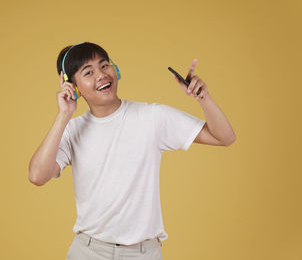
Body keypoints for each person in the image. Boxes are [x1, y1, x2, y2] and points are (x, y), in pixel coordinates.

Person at [28, 42, 236, 260]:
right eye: (88, 72)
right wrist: (63, 115)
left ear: (115, 70)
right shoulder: (72, 130)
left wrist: (203, 97)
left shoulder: (152, 117)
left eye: (104, 65)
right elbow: (37, 176)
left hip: (142, 253)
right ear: (74, 87)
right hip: (88, 252)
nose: (101, 75)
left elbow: (225, 137)